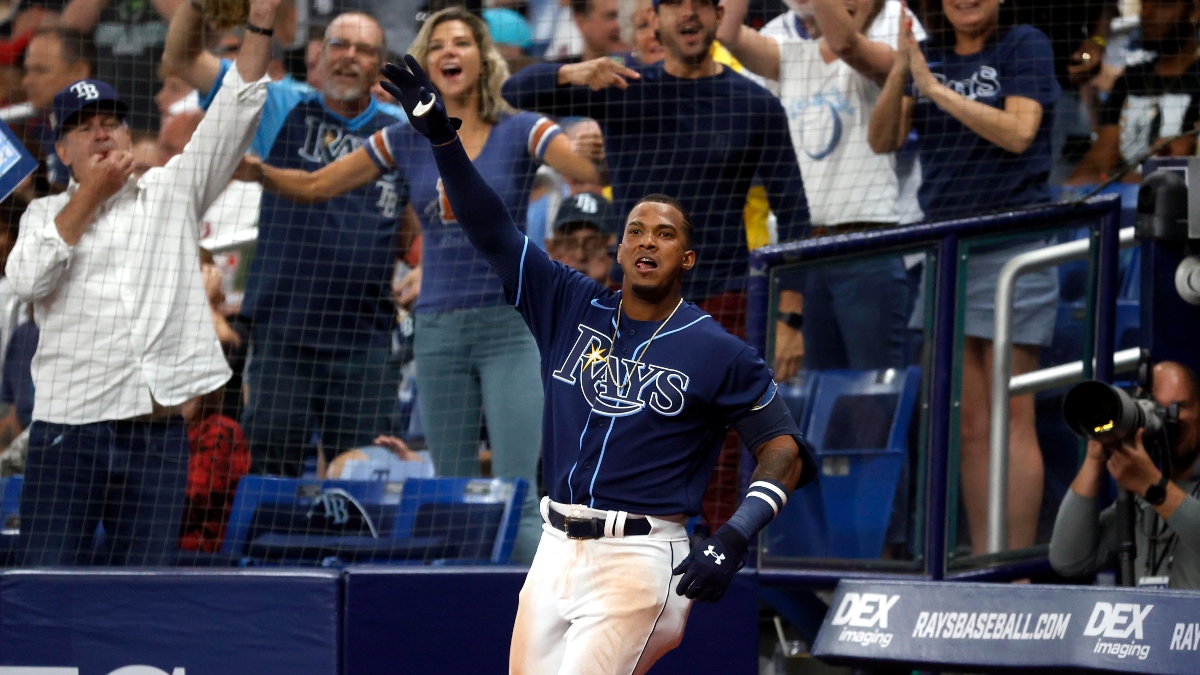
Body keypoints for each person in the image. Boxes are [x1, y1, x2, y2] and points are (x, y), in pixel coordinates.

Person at [379, 54, 814, 674]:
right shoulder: (568, 303)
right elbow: (493, 230)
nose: (645, 242)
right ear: (618, 245)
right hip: (556, 547)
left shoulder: (717, 348)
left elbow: (783, 448)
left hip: (640, 557)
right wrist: (445, 140)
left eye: (664, 235)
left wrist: (736, 533)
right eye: (635, 230)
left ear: (688, 259)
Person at [239, 7, 598, 562]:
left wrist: (594, 113)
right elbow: (313, 186)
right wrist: (257, 170)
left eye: (461, 43)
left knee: (517, 498)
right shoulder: (404, 140)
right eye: (437, 46)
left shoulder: (522, 128)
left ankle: (547, 626)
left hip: (510, 329)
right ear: (426, 64)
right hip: (437, 334)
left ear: (484, 57)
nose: (449, 53)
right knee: (451, 498)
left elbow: (588, 172)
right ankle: (464, 626)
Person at [503, 0, 810, 530]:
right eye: (675, 6)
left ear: (719, 17)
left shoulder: (756, 104)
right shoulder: (622, 87)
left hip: (722, 303)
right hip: (631, 308)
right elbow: (514, 92)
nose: (688, 16)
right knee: (627, 441)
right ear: (656, 19)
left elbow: (796, 217)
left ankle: (716, 571)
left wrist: (790, 320)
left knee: (723, 461)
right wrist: (576, 71)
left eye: (700, 6)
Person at [5, 0, 277, 566]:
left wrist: (262, 20)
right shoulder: (39, 217)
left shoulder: (173, 190)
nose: (100, 134)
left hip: (155, 436)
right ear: (62, 150)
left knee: (143, 586)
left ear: (129, 135)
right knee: (45, 582)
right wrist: (90, 196)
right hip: (66, 434)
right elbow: (30, 280)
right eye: (82, 128)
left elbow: (238, 107)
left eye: (110, 122)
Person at [162, 7, 408, 478]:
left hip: (367, 340)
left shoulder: (402, 130)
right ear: (317, 57)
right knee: (269, 471)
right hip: (283, 333)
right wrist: (198, 7)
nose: (349, 57)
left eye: (364, 50)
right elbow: (181, 57)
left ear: (381, 66)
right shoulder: (278, 104)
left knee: (365, 477)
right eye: (339, 45)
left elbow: (421, 223)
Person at [868, 0, 1060, 554]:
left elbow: (1020, 132)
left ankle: (1016, 568)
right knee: (972, 422)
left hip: (1014, 246)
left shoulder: (1024, 43)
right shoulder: (926, 59)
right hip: (949, 250)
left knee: (1013, 415)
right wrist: (904, 71)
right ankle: (985, 558)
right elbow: (882, 140)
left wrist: (935, 90)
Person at [719, 0, 910, 371]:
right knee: (812, 391)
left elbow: (844, 44)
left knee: (873, 399)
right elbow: (726, 33)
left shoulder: (886, 58)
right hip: (803, 254)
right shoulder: (788, 57)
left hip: (866, 251)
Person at [1050, 362, 1200, 588]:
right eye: (1155, 408)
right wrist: (1095, 457)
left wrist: (1153, 488)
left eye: (1178, 407)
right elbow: (1069, 561)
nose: (1168, 419)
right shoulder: (1143, 501)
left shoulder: (1152, 490)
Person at [1067, 0, 1200, 184]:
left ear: (1195, 11)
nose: (1146, 14)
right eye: (1144, 5)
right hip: (1129, 200)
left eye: (1162, 5)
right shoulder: (1131, 79)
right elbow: (1099, 160)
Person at [21, 27, 95, 191]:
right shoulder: (37, 133)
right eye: (27, 70)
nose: (27, 81)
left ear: (79, 71)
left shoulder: (103, 135)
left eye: (40, 70)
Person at [546, 190, 615, 284]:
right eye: (569, 245)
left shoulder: (631, 297)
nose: (580, 255)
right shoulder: (531, 296)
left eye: (593, 245)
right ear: (552, 249)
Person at [545, 0, 625, 62]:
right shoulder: (559, 76)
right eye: (611, 16)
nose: (620, 25)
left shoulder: (636, 70)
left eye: (626, 16)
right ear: (581, 22)